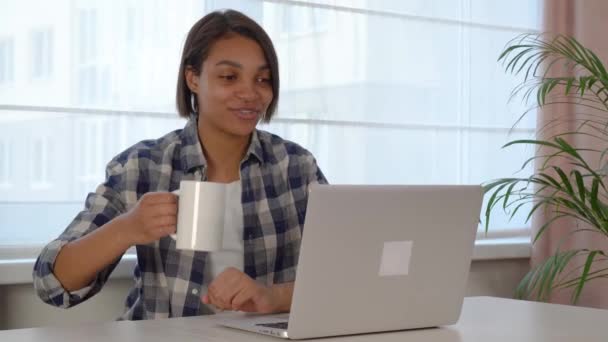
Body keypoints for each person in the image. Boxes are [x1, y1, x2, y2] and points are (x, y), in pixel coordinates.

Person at [33, 9, 327, 320]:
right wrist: (127, 228)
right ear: (193, 79)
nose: (250, 93)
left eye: (263, 79)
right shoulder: (142, 166)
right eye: (229, 77)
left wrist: (273, 297)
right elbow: (50, 282)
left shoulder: (296, 167)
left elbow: (346, 276)